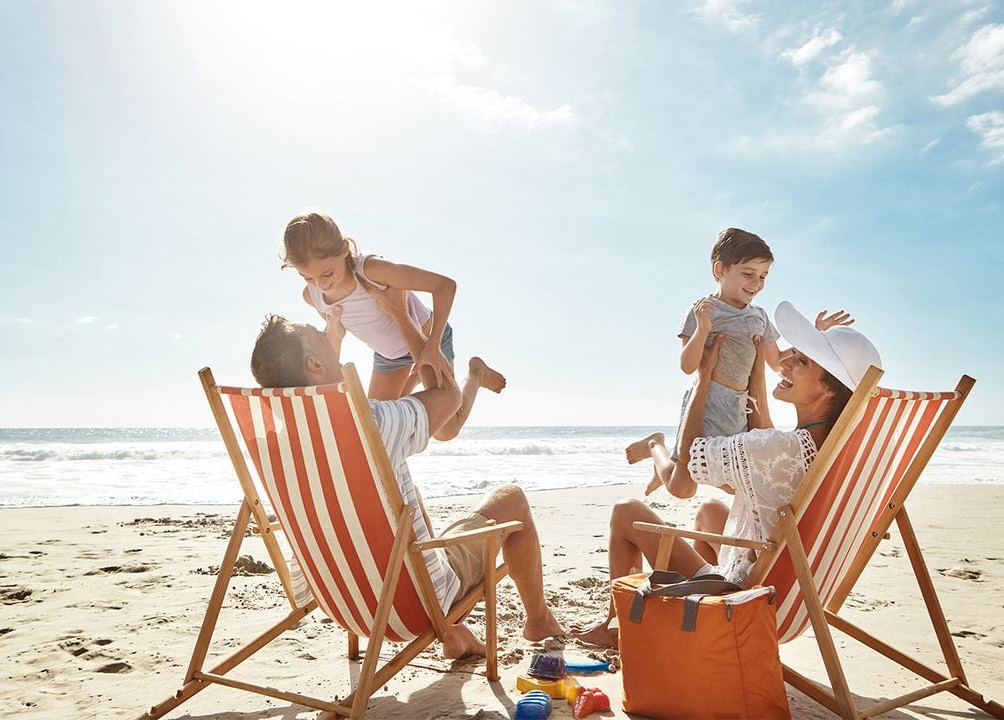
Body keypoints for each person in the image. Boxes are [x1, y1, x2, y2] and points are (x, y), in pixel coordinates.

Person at [249, 290, 563, 659]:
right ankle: (539, 620)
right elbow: (449, 397)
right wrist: (401, 315)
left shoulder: (274, 444)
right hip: (415, 605)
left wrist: (329, 340)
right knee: (511, 499)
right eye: (318, 334)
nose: (326, 332)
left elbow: (323, 395)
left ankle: (456, 635)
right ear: (314, 364)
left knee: (398, 493)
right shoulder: (371, 423)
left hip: (341, 602)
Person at [574, 301, 881, 647]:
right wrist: (759, 369)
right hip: (800, 595)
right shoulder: (840, 449)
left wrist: (703, 379)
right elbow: (765, 435)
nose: (786, 362)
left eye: (802, 361)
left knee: (625, 511)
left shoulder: (780, 449)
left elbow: (690, 459)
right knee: (710, 511)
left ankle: (616, 626)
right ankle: (691, 618)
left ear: (829, 388)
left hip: (748, 601)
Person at [638, 228, 853, 496]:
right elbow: (687, 366)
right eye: (748, 274)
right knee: (683, 488)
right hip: (707, 403)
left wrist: (813, 338)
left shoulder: (759, 317)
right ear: (720, 270)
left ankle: (660, 453)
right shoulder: (702, 310)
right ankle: (655, 447)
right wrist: (702, 330)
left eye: (763, 276)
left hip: (741, 405)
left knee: (735, 485)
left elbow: (776, 362)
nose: (757, 283)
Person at [281, 211, 505, 441]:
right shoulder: (312, 296)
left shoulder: (371, 270)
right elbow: (337, 333)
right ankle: (414, 377)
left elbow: (445, 286)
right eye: (307, 277)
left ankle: (476, 374)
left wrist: (433, 345)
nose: (321, 284)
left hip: (426, 338)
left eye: (327, 273)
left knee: (446, 431)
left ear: (344, 248)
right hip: (390, 357)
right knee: (375, 431)